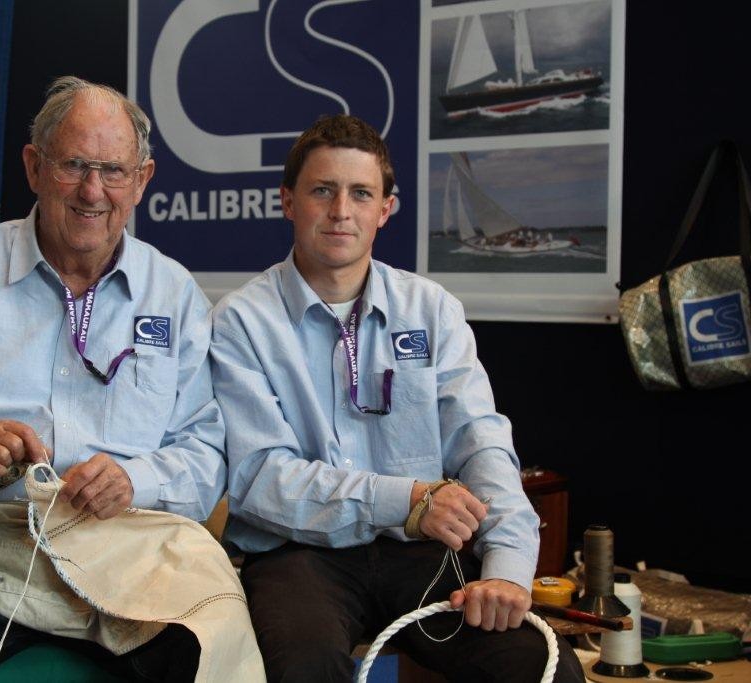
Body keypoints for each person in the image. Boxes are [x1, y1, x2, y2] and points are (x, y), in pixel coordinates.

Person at [0, 76, 231, 682]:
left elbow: (207, 446)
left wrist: (135, 479)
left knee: (214, 658)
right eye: (73, 165)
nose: (92, 190)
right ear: (33, 167)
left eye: (112, 170)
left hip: (130, 548)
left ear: (142, 180)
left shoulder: (174, 294)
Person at [210, 114, 586, 682]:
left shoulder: (431, 310)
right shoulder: (240, 322)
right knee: (302, 669)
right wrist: (407, 500)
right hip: (299, 557)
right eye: (322, 191)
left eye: (361, 193)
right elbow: (261, 478)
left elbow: (482, 445)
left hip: (421, 559)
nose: (341, 211)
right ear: (287, 201)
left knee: (541, 668)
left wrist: (508, 568)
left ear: (385, 209)